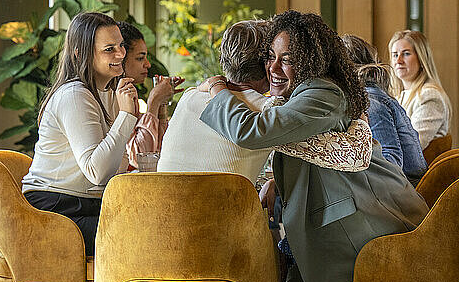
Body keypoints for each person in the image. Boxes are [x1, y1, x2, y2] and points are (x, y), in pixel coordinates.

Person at [199, 11, 429, 282]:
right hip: (340, 221)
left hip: (365, 225)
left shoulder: (321, 93)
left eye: (287, 59)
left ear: (310, 61)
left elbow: (251, 131)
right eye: (270, 57)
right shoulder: (301, 94)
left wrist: (217, 88)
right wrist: (277, 181)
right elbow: (314, 150)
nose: (273, 68)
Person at [157, 20, 373, 184]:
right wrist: (359, 120)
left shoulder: (189, 96)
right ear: (265, 63)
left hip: (157, 229)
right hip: (219, 232)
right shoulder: (265, 110)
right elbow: (348, 155)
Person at [22, 12, 139, 256]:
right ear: (80, 53)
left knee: (151, 221)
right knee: (139, 235)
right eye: (109, 49)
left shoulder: (106, 93)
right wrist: (127, 117)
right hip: (53, 209)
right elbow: (97, 173)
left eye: (121, 46)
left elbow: (116, 165)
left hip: (83, 203)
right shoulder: (75, 95)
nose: (120, 54)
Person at [342, 34, 426, 184]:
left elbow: (391, 163)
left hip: (406, 189)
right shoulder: (370, 95)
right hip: (405, 184)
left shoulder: (370, 100)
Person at [116, 22, 183, 170]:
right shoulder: (115, 99)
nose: (148, 64)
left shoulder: (132, 96)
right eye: (140, 58)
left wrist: (161, 106)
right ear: (121, 59)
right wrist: (153, 102)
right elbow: (139, 157)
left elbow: (158, 153)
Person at [389, 30, 452, 150]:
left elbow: (411, 146)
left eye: (406, 54)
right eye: (395, 55)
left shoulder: (429, 95)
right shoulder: (398, 96)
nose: (398, 61)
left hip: (417, 168)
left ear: (422, 58)